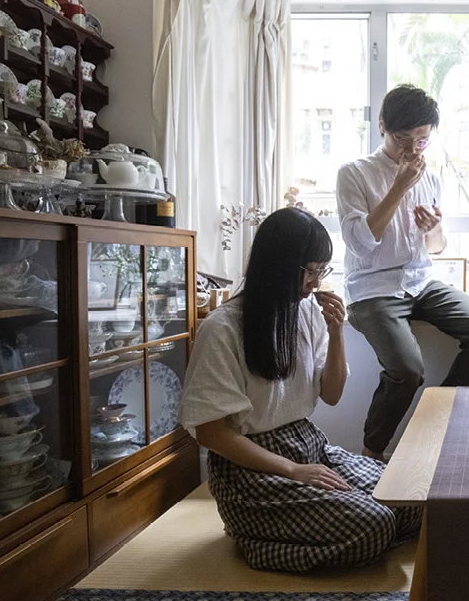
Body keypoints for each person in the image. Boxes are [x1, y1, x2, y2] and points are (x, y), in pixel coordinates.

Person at [179, 207, 421, 573]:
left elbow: (332, 394)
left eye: (320, 270)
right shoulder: (223, 328)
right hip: (251, 473)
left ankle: (315, 529)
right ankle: (255, 541)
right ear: (277, 266)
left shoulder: (306, 312)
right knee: (375, 525)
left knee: (412, 499)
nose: (315, 282)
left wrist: (338, 333)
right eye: (310, 270)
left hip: (309, 446)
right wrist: (292, 470)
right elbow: (212, 433)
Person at [337, 84, 469, 461]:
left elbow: (436, 248)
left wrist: (433, 229)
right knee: (408, 370)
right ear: (381, 125)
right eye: (402, 138)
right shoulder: (354, 174)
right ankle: (371, 452)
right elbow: (361, 243)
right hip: (372, 288)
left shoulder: (431, 177)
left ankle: (438, 423)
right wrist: (398, 187)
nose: (412, 149)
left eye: (422, 139)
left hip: (420, 281)